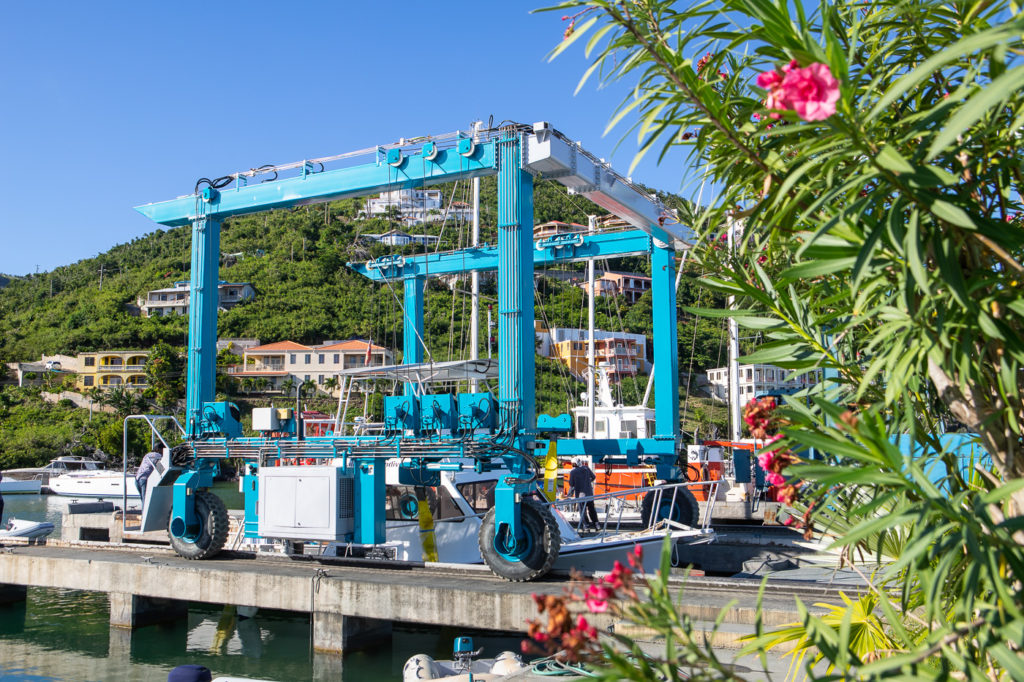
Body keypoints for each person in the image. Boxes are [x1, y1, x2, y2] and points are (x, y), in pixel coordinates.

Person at [568, 458, 599, 531]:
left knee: (582, 511)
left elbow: (571, 484)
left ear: (573, 464)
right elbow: (593, 477)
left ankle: (586, 526)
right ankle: (596, 524)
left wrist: (569, 494)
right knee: (592, 510)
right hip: (589, 494)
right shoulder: (586, 468)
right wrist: (588, 482)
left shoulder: (573, 472)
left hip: (580, 496)